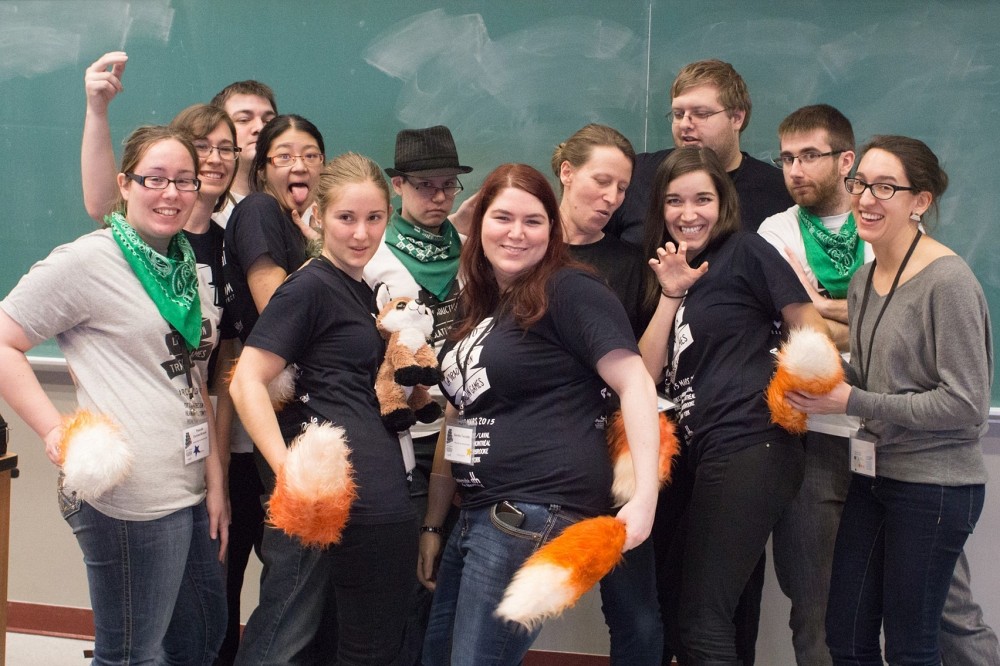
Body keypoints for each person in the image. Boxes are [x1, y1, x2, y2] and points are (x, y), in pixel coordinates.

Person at [761, 106, 1000, 666]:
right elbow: (870, 374)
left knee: (916, 643)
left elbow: (965, 404)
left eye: (885, 187)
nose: (866, 198)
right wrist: (814, 374)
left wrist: (851, 398)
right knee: (845, 638)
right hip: (876, 474)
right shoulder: (867, 278)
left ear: (920, 201)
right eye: (861, 184)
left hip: (933, 482)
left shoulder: (948, 281)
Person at [0, 125, 228, 664]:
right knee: (131, 656)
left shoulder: (183, 267)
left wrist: (215, 480)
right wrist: (55, 429)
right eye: (155, 179)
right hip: (128, 495)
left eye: (185, 180)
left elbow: (191, 376)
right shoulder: (88, 261)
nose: (171, 193)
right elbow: (4, 340)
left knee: (200, 638)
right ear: (125, 185)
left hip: (188, 485)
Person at [418, 163, 660, 666]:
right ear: (479, 223)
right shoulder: (480, 305)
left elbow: (635, 382)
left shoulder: (570, 289)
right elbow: (458, 415)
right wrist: (435, 525)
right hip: (478, 511)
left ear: (552, 229)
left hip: (531, 508)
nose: (516, 233)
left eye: (533, 221)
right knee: (438, 655)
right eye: (502, 217)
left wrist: (644, 499)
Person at [638, 147, 827, 664]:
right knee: (684, 604)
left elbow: (807, 325)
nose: (689, 213)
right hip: (707, 453)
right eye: (675, 200)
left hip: (751, 443)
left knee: (703, 620)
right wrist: (671, 295)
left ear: (723, 203)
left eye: (703, 199)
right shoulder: (671, 272)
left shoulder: (745, 250)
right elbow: (644, 375)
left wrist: (799, 388)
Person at [230, 152, 416, 665]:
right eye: (346, 218)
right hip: (335, 498)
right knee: (308, 640)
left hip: (372, 494)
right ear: (318, 217)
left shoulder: (359, 289)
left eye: (374, 218)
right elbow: (246, 381)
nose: (361, 233)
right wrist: (289, 471)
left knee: (348, 644)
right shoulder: (309, 286)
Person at [362, 124, 471, 665]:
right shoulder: (373, 251)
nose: (439, 196)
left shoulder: (471, 252)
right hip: (398, 434)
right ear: (398, 185)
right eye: (426, 185)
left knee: (448, 582)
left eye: (448, 185)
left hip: (461, 432)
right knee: (398, 581)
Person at [551, 123, 661, 665]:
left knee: (636, 615)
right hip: (530, 452)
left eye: (622, 188)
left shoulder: (631, 264)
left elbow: (644, 369)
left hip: (611, 449)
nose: (612, 198)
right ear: (567, 173)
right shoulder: (519, 248)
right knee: (497, 599)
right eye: (602, 181)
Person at [606, 59, 791, 246]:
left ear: (737, 118)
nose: (685, 124)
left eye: (701, 114)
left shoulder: (779, 191)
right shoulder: (637, 174)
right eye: (678, 114)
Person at [223, 113, 324, 344]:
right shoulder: (259, 209)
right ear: (261, 169)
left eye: (311, 156)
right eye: (284, 157)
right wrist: (325, 255)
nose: (300, 166)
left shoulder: (296, 226)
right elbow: (277, 316)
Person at [210, 80, 279, 224]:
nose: (260, 128)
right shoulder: (205, 209)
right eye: (244, 119)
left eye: (268, 121)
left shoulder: (299, 202)